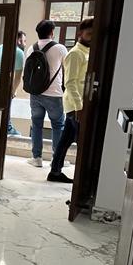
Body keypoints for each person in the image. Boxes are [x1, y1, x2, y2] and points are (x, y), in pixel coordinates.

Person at [47, 18, 93, 183]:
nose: (91, 37)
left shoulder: (88, 52)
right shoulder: (75, 54)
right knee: (80, 142)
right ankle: (79, 177)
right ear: (80, 33)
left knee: (66, 140)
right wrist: (79, 106)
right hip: (75, 105)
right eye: (89, 33)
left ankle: (55, 172)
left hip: (79, 104)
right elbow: (70, 82)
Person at [24, 19, 67, 168]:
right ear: (52, 32)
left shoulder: (31, 49)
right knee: (58, 125)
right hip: (54, 94)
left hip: (35, 94)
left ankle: (37, 158)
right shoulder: (60, 48)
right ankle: (57, 160)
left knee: (36, 125)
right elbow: (68, 69)